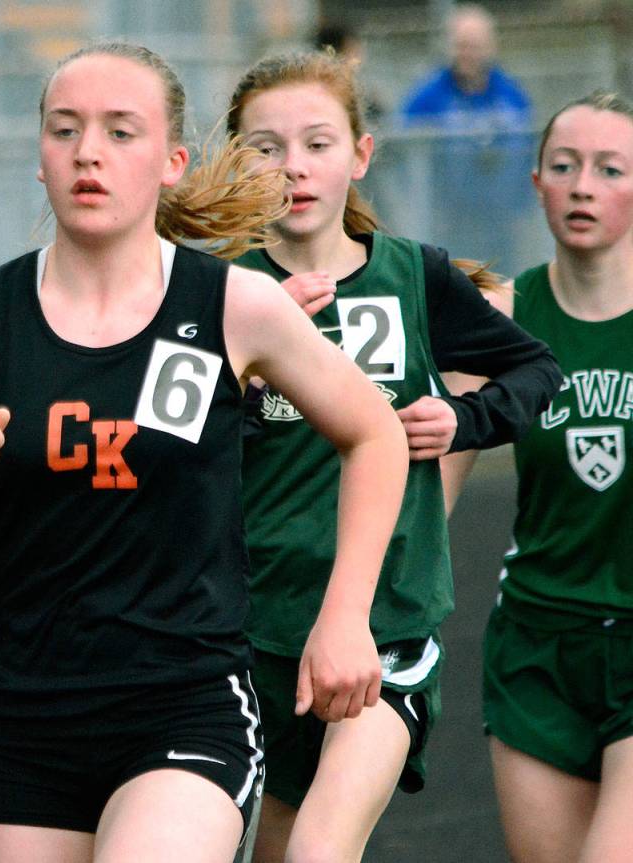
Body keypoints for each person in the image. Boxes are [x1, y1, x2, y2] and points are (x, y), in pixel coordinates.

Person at [0, 41, 411, 863]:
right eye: (65, 130)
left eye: (120, 131)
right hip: (24, 720)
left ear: (173, 162)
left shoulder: (234, 305)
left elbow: (375, 432)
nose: (89, 153)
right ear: (40, 156)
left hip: (184, 708)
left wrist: (347, 615)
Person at [224, 49, 562, 863]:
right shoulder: (225, 294)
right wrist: (244, 364)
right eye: (267, 148)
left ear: (361, 154)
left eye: (318, 143)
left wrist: (464, 418)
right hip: (256, 630)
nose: (294, 167)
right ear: (236, 162)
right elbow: (173, 451)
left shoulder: (413, 276)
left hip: (387, 628)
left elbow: (536, 371)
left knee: (320, 849)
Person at [441, 91, 633, 863]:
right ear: (536, 182)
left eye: (610, 169)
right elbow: (428, 490)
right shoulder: (501, 317)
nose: (583, 186)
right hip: (537, 650)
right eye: (564, 166)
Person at [398, 3, 534, 273]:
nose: (467, 54)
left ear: (490, 47)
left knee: (501, 278)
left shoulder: (510, 94)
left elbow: (527, 150)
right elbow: (403, 146)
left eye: (475, 46)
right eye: (461, 45)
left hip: (500, 220)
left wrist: (521, 205)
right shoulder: (429, 95)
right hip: (447, 219)